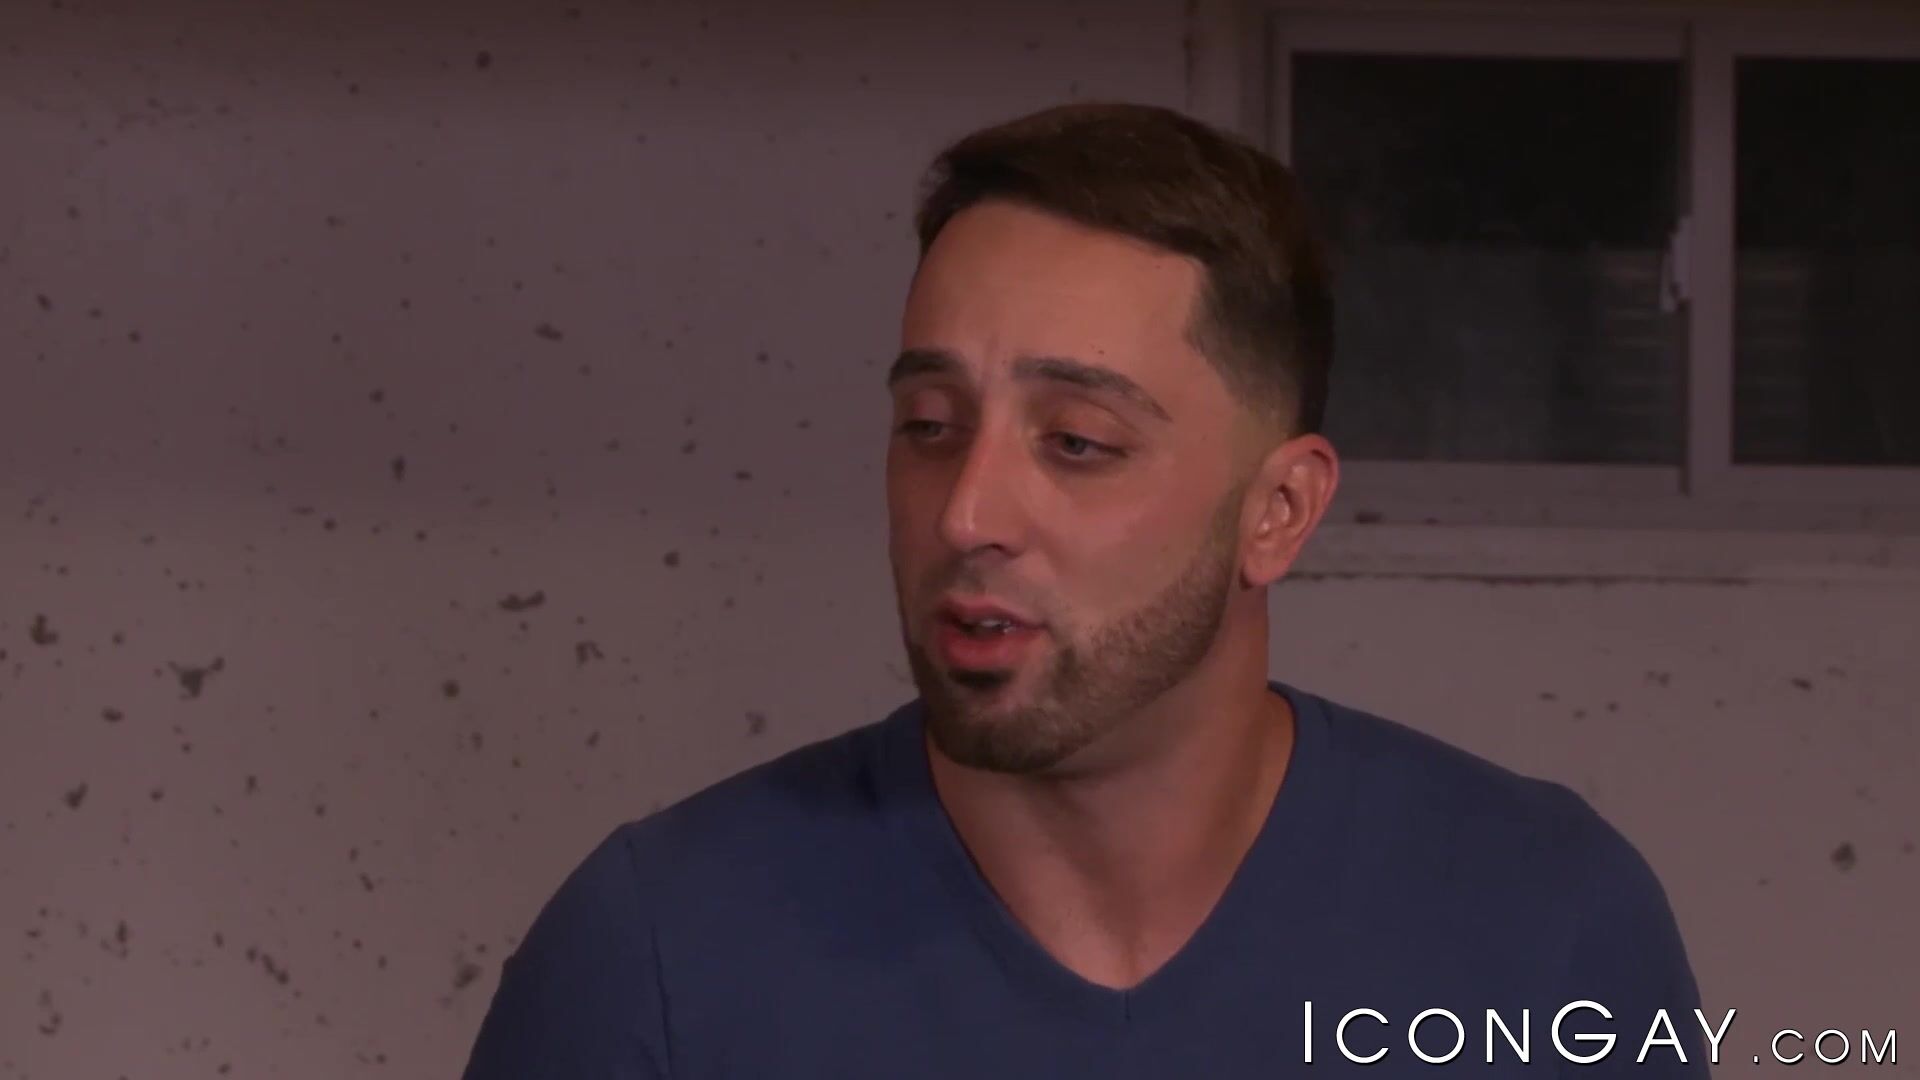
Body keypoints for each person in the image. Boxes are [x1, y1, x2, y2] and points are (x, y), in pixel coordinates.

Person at [461, 102, 1709, 1078]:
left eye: (1076, 442)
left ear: (1278, 511)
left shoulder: (1545, 930)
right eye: (930, 423)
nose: (966, 515)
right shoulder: (656, 956)